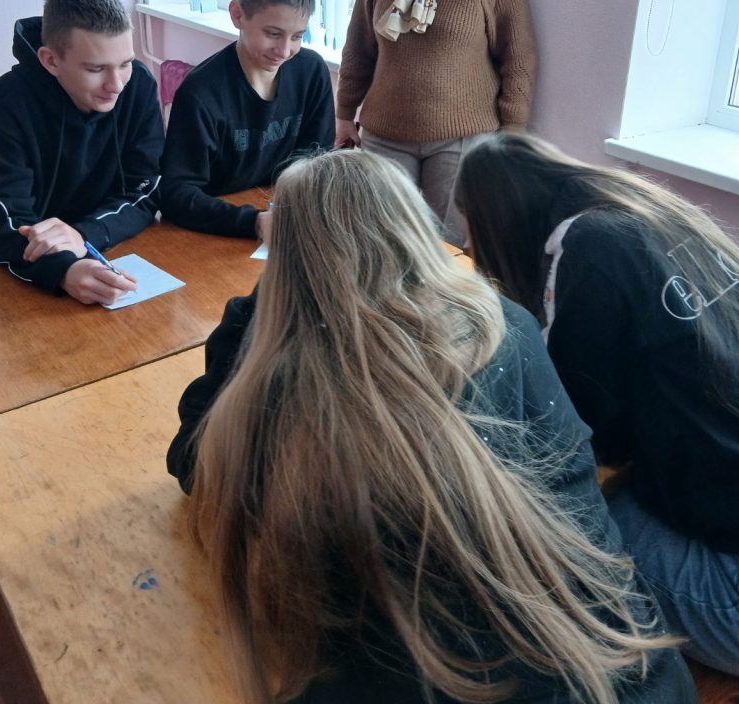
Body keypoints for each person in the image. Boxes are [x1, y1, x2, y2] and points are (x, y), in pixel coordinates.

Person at [168, 151, 696, 704]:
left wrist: (263, 303)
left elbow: (192, 462)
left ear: (289, 257)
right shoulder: (504, 322)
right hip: (640, 668)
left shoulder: (291, 386)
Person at [455, 131, 739, 676]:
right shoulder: (654, 216)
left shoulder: (587, 246)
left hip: (729, 586)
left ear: (499, 225)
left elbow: (575, 431)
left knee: (543, 522)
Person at [334, 0, 537, 245]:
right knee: (383, 247)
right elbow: (358, 47)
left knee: (445, 252)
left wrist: (511, 135)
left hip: (461, 142)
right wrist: (344, 114)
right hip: (385, 136)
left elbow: (519, 56)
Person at [0, 0, 164, 305]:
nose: (116, 85)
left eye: (125, 63)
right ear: (50, 60)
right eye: (96, 69)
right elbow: (0, 219)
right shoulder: (5, 106)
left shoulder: (138, 84)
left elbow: (146, 190)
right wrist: (63, 270)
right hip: (26, 272)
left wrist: (82, 235)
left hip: (112, 246)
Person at [161, 0, 335, 240]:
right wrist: (254, 222)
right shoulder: (200, 93)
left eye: (297, 36)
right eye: (273, 34)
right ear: (238, 15)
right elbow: (176, 194)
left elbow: (317, 162)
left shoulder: (311, 71)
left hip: (286, 219)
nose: (285, 51)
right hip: (216, 230)